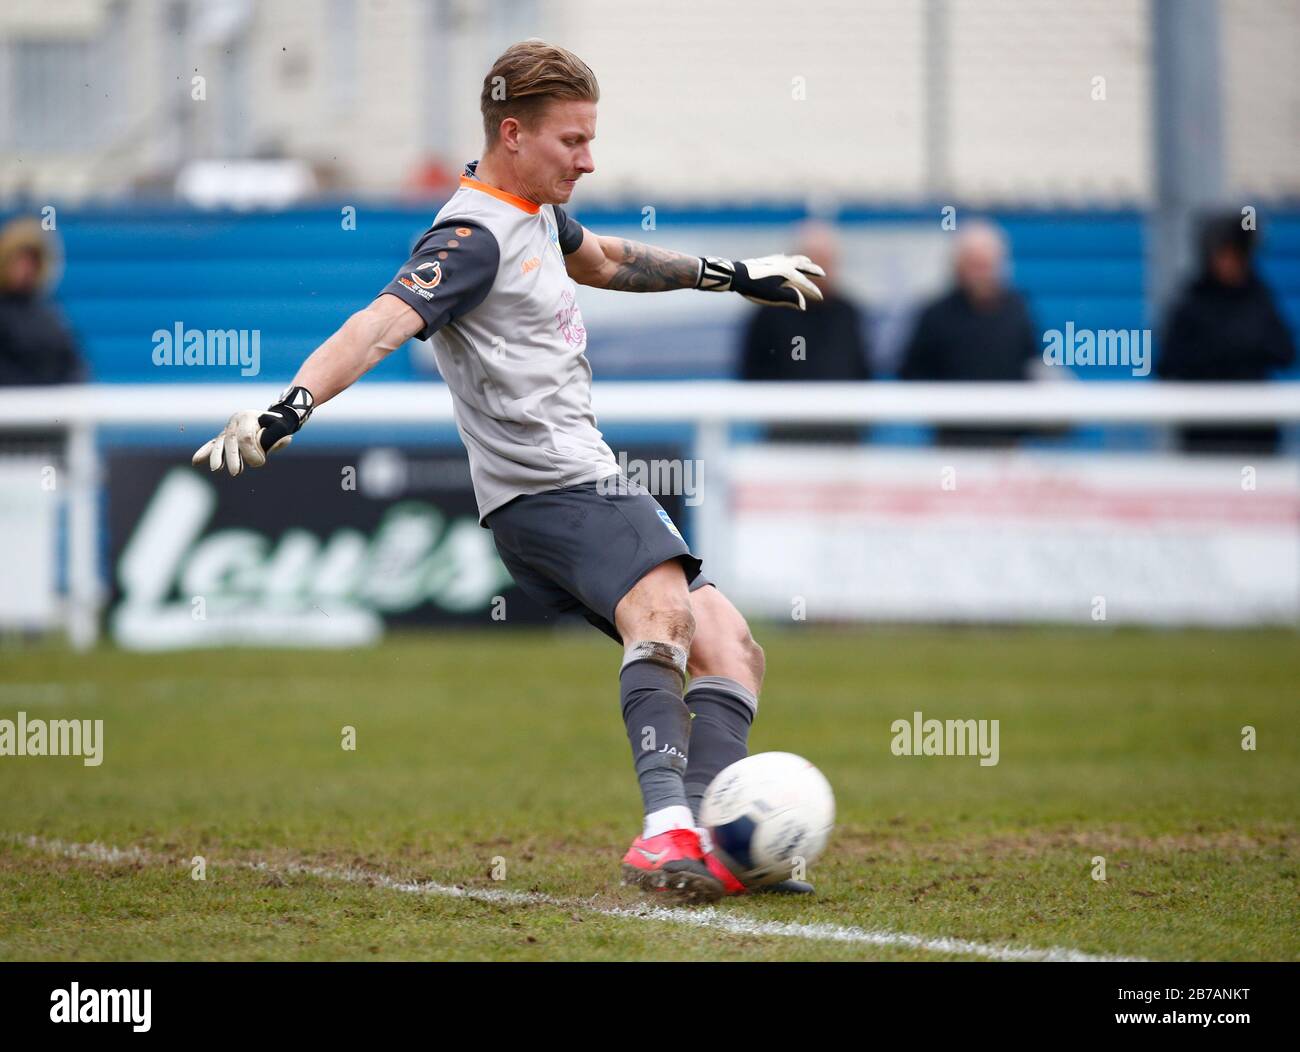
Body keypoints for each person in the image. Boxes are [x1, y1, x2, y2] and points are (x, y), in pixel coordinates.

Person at [191, 41, 824, 903]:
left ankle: (716, 842)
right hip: (551, 489)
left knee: (732, 649)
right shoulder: (469, 235)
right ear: (514, 133)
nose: (589, 158)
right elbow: (378, 323)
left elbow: (604, 261)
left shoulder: (534, 213)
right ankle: (665, 832)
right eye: (572, 140)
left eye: (591, 138)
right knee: (665, 613)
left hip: (579, 481)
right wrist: (288, 407)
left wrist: (732, 274)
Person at [1156, 212, 1296, 454]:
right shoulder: (1192, 302)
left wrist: (1246, 347)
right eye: (1223, 255)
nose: (1228, 264)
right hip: (1204, 436)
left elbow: (1286, 353)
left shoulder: (1259, 298)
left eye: (1235, 256)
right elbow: (1167, 365)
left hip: (1256, 435)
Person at [898, 220, 1038, 446]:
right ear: (958, 265)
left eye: (986, 265)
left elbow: (1031, 364)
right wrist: (942, 407)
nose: (981, 273)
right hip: (952, 440)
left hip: (1007, 440)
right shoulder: (935, 314)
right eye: (974, 264)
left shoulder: (1017, 308)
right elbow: (911, 372)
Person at [739, 220, 871, 443]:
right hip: (785, 435)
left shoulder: (849, 313)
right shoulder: (769, 312)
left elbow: (862, 371)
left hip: (842, 436)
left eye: (825, 263)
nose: (818, 272)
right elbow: (752, 372)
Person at [0, 217, 85, 387]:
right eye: (19, 260)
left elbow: (73, 364)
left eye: (31, 261)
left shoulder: (49, 314)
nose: (25, 269)